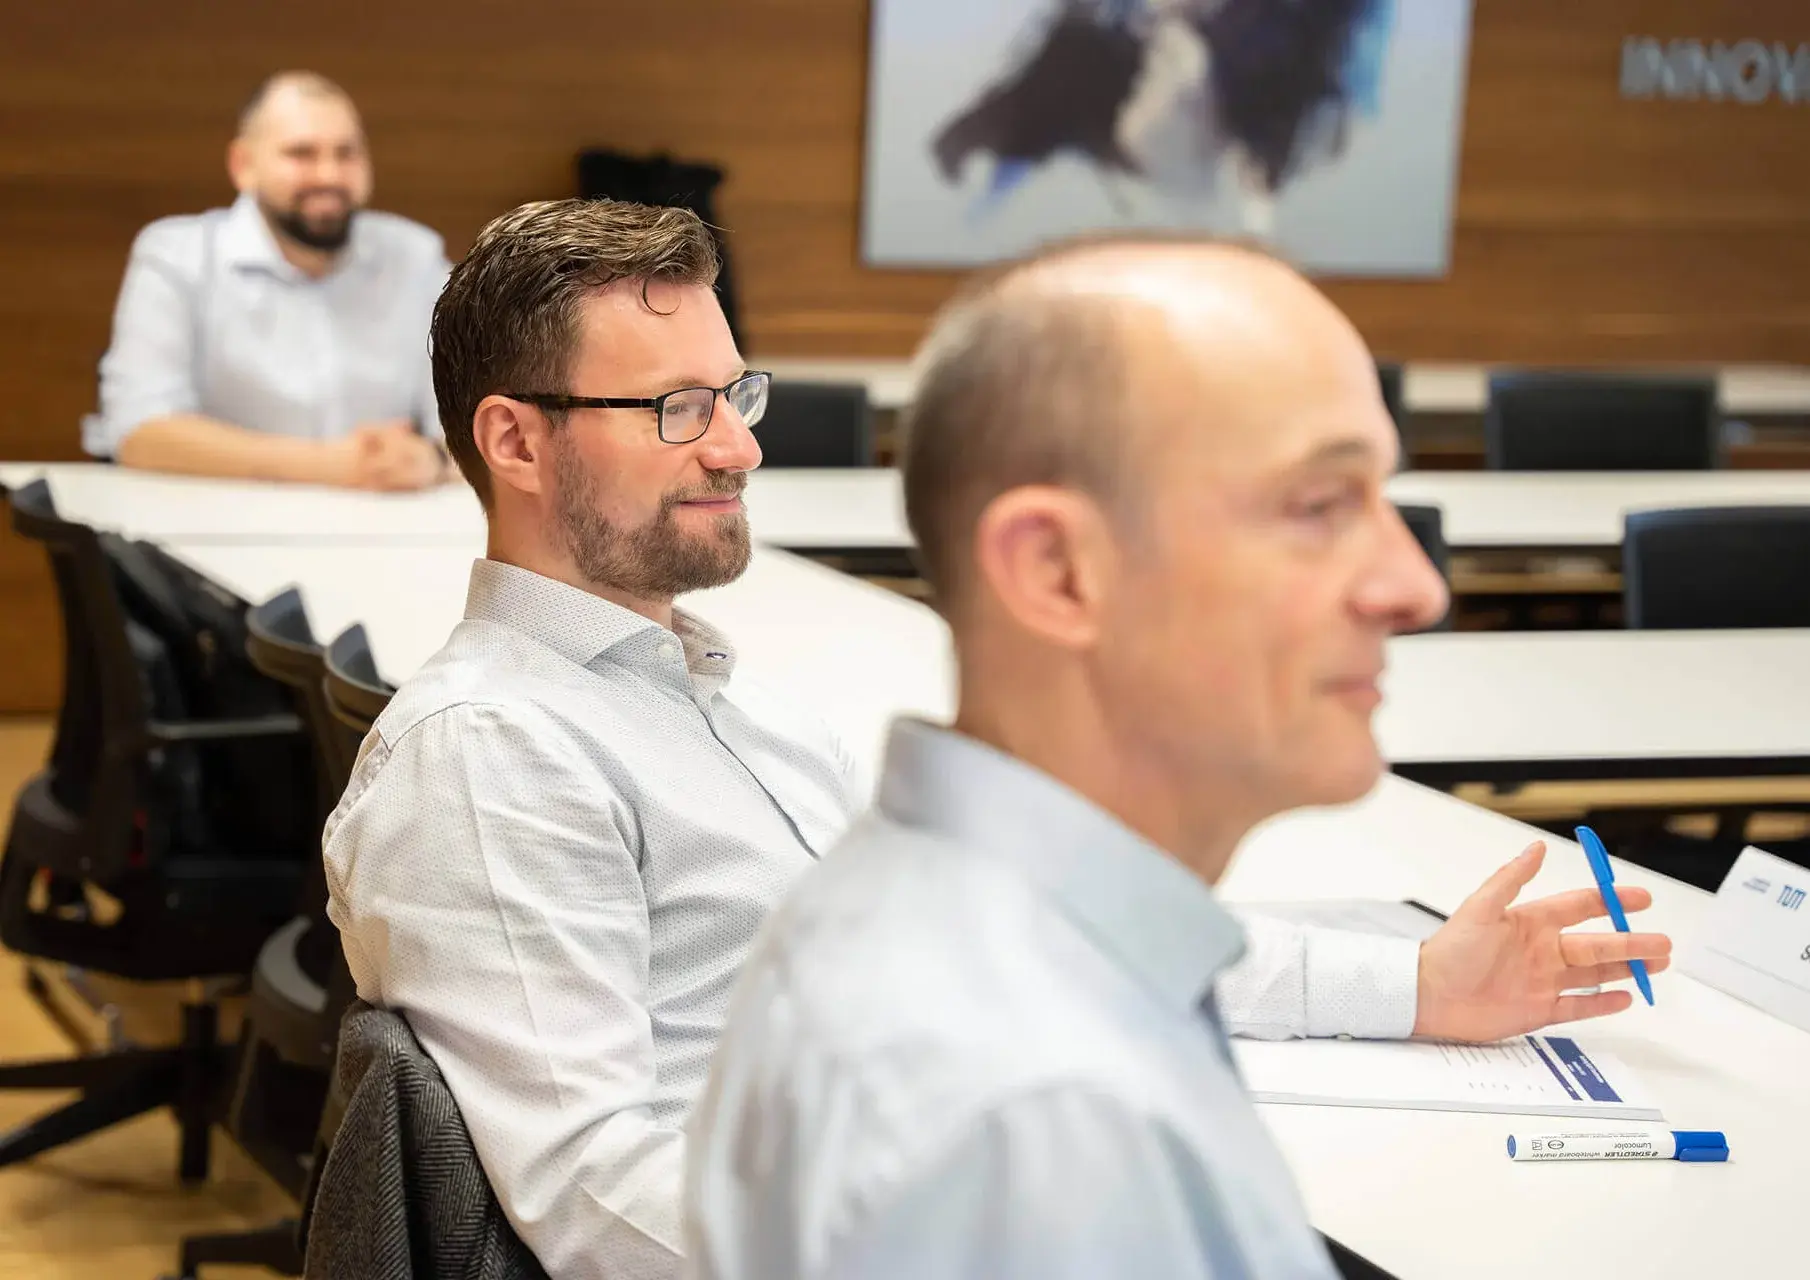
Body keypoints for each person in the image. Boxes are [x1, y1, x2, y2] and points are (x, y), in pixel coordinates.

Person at [324, 202, 1668, 1280]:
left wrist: (1412, 988)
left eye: (737, 395)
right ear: (512, 439)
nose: (735, 446)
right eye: (677, 408)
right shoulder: (493, 755)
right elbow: (590, 1201)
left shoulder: (708, 699)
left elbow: (1036, 930)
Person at [83, 71, 450, 489]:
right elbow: (141, 433)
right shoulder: (176, 256)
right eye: (301, 153)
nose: (328, 175)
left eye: (346, 153)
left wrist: (433, 458)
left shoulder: (416, 258)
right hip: (215, 532)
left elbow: (480, 423)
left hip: (389, 534)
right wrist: (333, 467)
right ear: (244, 165)